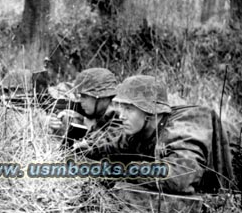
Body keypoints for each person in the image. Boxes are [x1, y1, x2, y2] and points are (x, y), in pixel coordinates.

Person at [85, 74, 240, 195]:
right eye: (122, 108)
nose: (121, 116)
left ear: (150, 112)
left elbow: (179, 177)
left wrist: (124, 170)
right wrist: (86, 148)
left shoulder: (181, 129)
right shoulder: (142, 129)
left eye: (129, 109)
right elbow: (116, 145)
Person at [48, 68, 122, 152]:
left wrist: (88, 144)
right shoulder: (101, 111)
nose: (81, 100)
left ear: (102, 98)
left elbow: (110, 140)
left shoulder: (118, 114)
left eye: (85, 96)